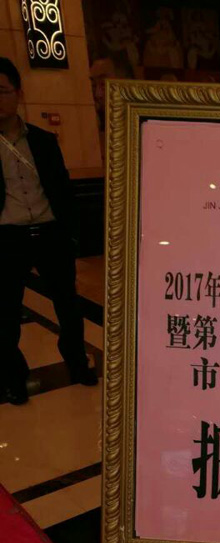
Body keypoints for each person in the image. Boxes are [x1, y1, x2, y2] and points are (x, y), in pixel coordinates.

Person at [0, 57, 97, 406]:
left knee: (68, 307)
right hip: (8, 237)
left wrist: (70, 234)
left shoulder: (42, 140)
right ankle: (14, 377)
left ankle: (77, 363)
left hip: (50, 233)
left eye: (2, 91)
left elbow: (62, 188)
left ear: (18, 93)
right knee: (5, 314)